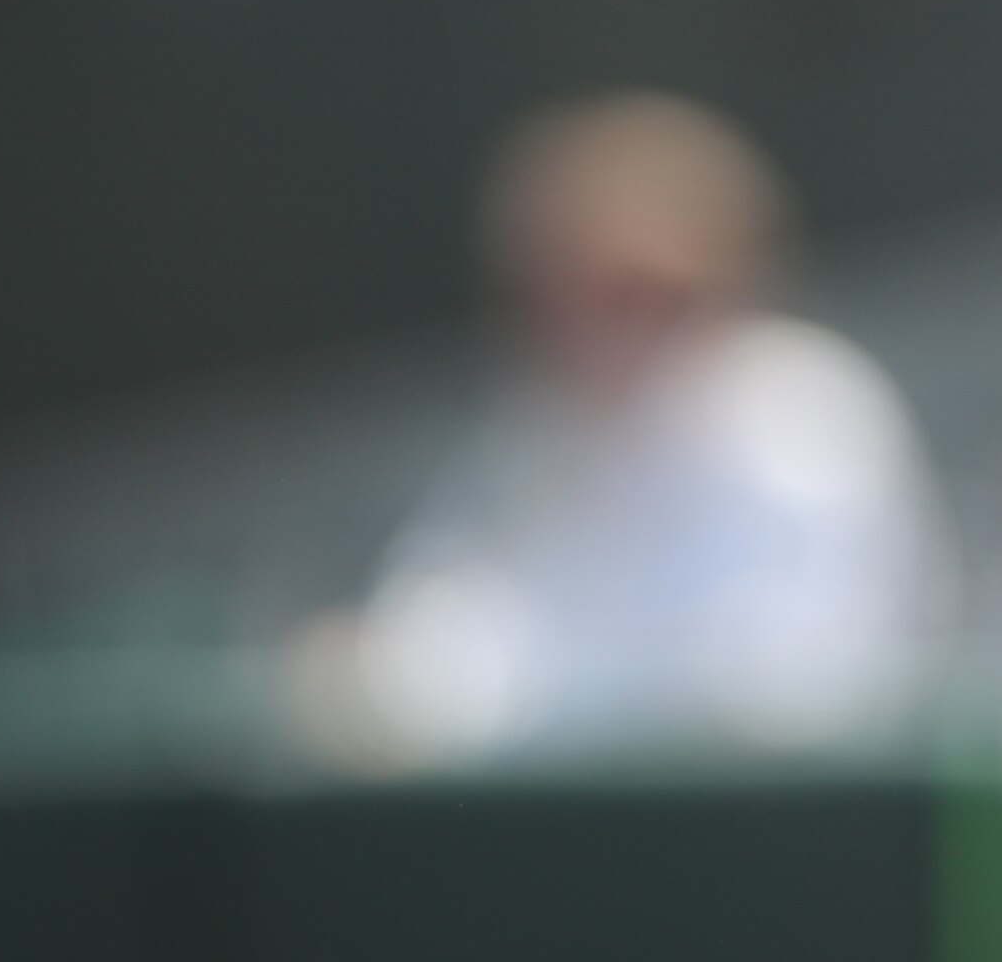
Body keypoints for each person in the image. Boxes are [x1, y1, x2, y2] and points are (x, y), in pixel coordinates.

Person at [327, 90, 946, 756]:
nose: (586, 330)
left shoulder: (803, 419)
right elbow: (448, 622)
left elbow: (773, 691)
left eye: (628, 295)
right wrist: (378, 675)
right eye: (557, 295)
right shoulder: (537, 432)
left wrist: (490, 702)